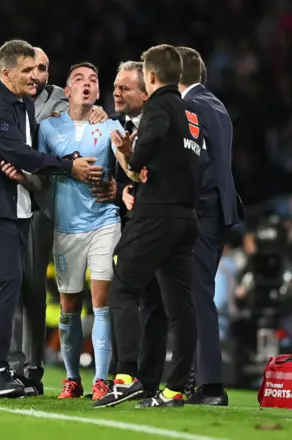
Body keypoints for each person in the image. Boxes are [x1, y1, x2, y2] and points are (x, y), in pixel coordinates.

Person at [0, 40, 99, 399]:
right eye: (25, 71)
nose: (33, 77)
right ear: (5, 73)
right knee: (6, 283)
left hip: (16, 204)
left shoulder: (22, 103)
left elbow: (34, 151)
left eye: (35, 70)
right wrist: (70, 167)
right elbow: (19, 152)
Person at [92, 44, 203, 409]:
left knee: (122, 286)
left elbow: (147, 147)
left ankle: (125, 376)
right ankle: (174, 390)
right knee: (180, 307)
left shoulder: (158, 106)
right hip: (186, 218)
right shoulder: (191, 115)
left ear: (151, 77)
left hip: (157, 214)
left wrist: (131, 158)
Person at [8, 47, 108, 394]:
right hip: (24, 203)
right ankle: (24, 369)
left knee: (76, 295)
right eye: (32, 67)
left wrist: (97, 110)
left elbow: (83, 112)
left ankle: (87, 374)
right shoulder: (8, 99)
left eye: (44, 68)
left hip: (57, 208)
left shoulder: (57, 99)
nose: (37, 74)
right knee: (28, 290)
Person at [35, 62, 122, 401]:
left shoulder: (111, 126)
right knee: (69, 305)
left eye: (93, 81)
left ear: (98, 93)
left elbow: (128, 167)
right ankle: (73, 379)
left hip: (104, 221)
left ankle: (102, 379)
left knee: (101, 301)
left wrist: (118, 185)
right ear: (66, 91)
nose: (86, 84)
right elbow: (39, 171)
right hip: (66, 227)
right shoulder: (47, 130)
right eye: (78, 80)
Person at [97, 61, 168, 399]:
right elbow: (122, 174)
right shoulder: (113, 125)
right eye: (115, 86)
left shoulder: (159, 123)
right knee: (133, 297)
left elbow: (151, 171)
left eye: (124, 88)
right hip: (129, 222)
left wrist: (135, 183)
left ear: (145, 92)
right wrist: (119, 188)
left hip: (157, 220)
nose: (116, 93)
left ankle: (142, 379)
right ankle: (125, 374)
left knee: (154, 301)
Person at [176, 46, 242, 405]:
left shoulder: (192, 107)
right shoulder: (215, 104)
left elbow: (196, 162)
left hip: (203, 210)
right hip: (220, 209)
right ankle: (197, 377)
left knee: (197, 293)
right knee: (194, 291)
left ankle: (211, 385)